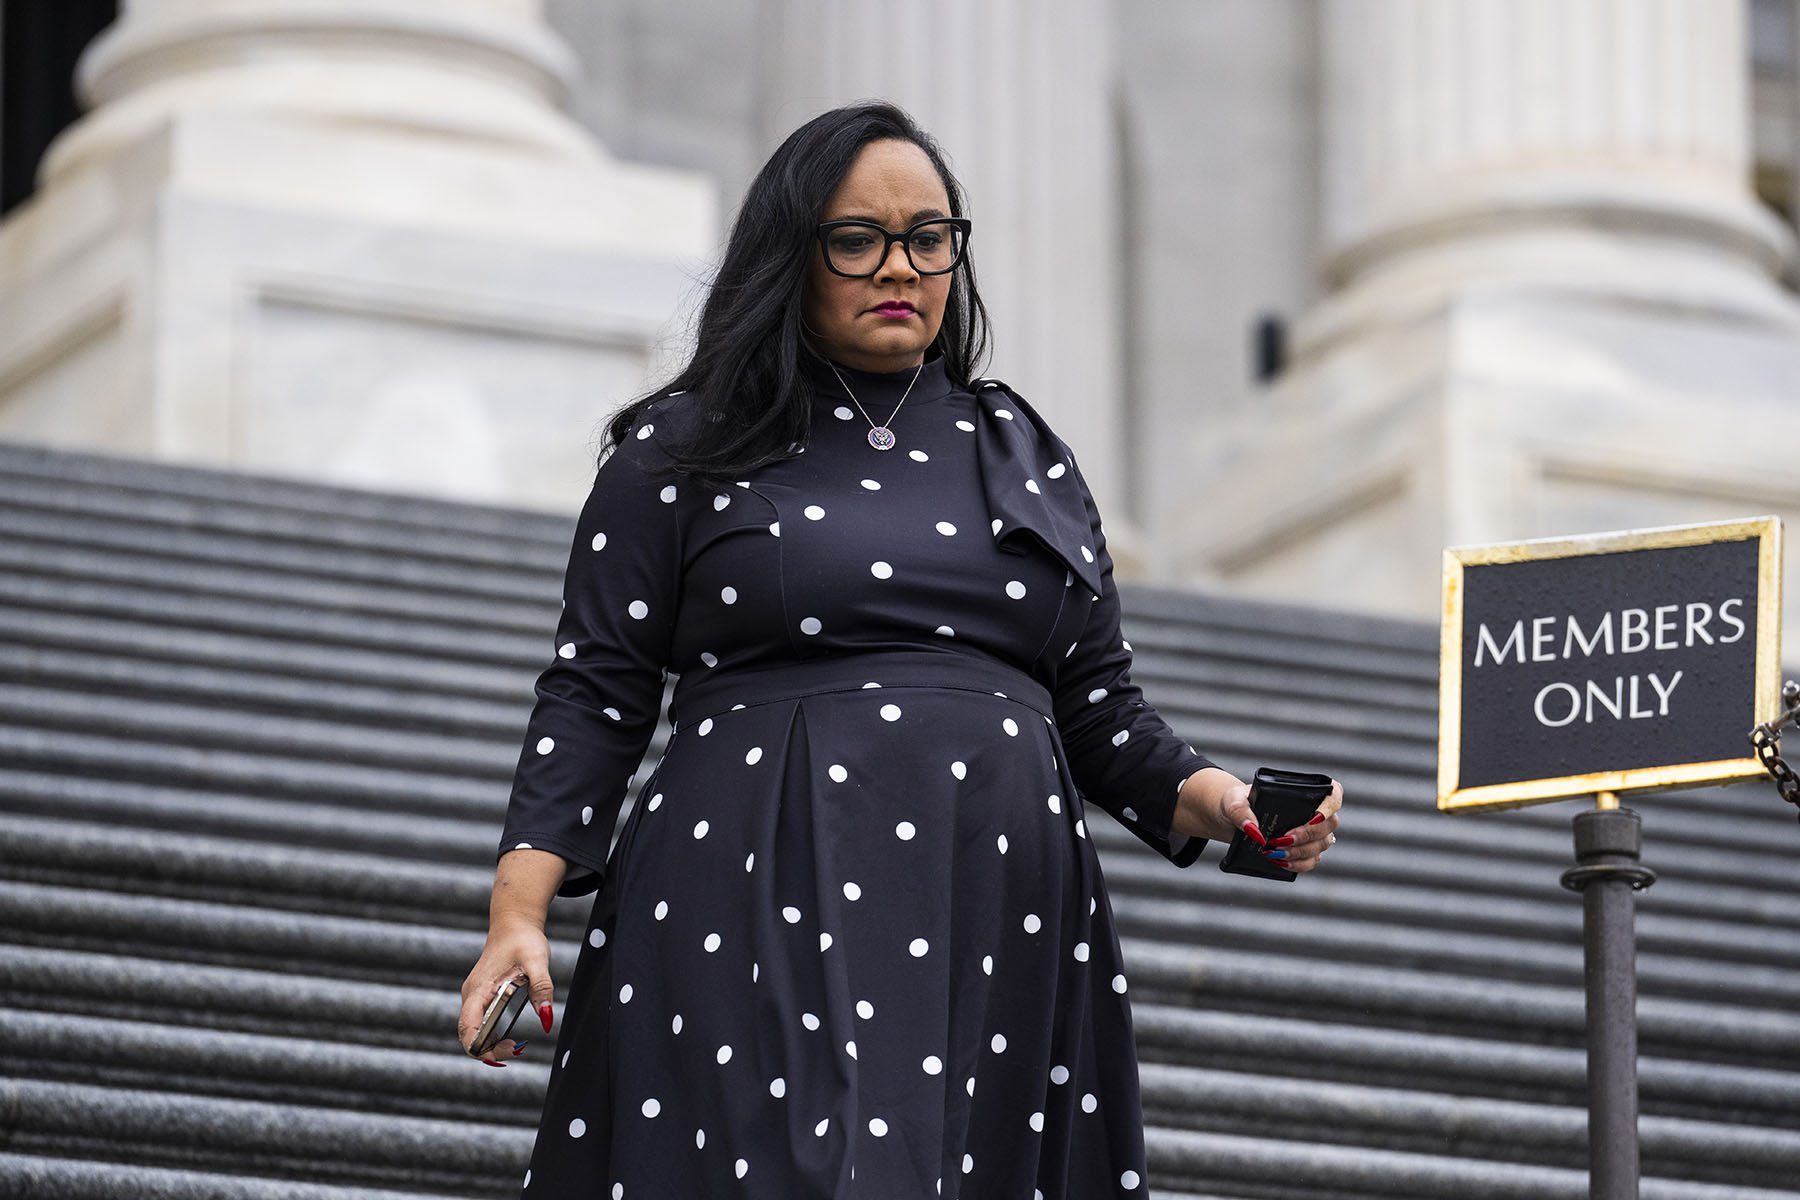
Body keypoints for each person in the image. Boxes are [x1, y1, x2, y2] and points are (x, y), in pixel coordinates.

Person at [457, 99, 1344, 1198]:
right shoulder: (682, 449)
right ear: (792, 255)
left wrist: (1236, 808)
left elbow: (1102, 710)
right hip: (753, 883)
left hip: (994, 905)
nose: (901, 267)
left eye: (929, 238)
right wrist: (517, 918)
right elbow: (597, 693)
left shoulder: (1021, 448)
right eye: (858, 239)